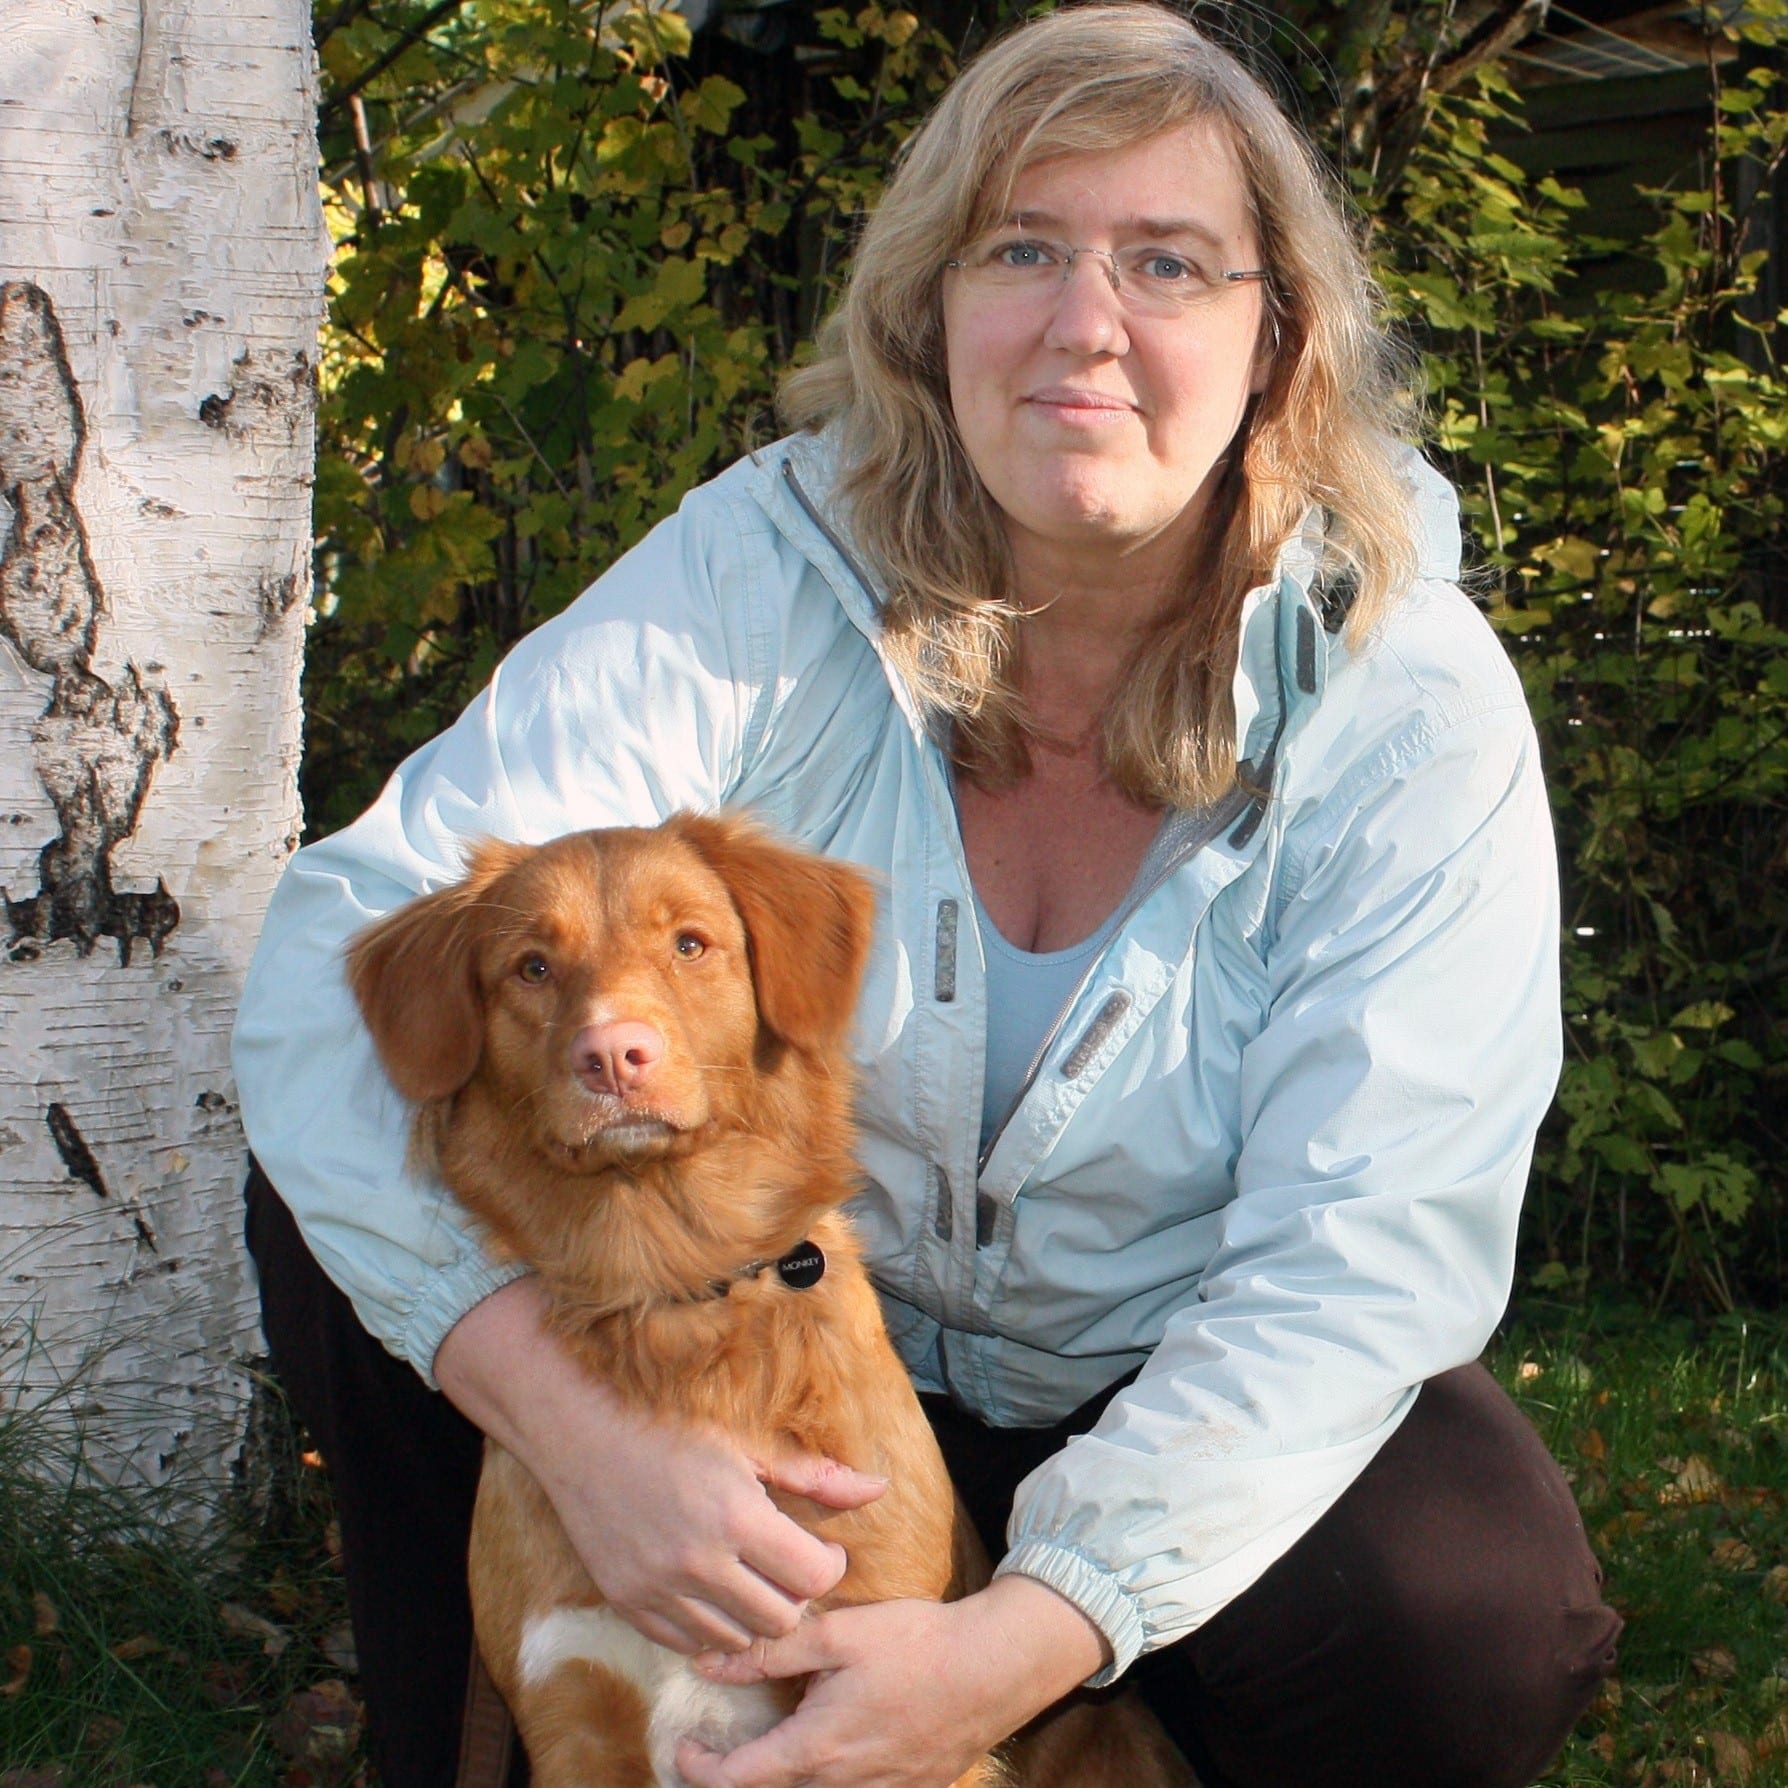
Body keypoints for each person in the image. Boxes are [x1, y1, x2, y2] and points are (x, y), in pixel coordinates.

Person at [233, 6, 1622, 1786]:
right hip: (767, 1338)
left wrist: (1014, 1643)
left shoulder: (1407, 699)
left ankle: (1107, 1712)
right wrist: (573, 1429)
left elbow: (1364, 1259)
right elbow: (330, 957)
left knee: (1466, 1611)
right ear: (930, 309)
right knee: (363, 1137)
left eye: (1169, 264)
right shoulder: (764, 574)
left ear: (1277, 338)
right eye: (1021, 248)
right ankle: (472, 1727)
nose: (1084, 323)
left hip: (1152, 1373)